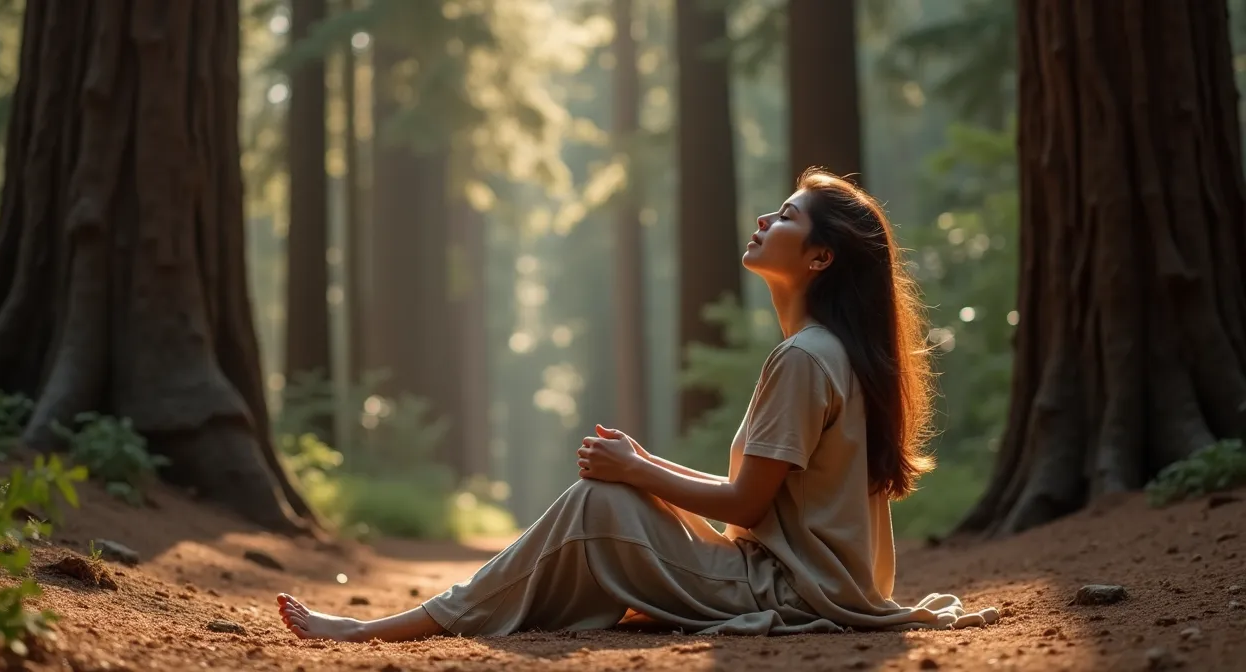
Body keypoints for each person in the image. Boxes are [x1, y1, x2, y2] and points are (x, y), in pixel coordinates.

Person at [276, 168, 999, 642]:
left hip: (792, 592)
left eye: (784, 217)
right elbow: (759, 502)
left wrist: (634, 471)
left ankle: (396, 627)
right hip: (811, 583)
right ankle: (447, 612)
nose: (762, 221)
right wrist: (643, 464)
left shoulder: (805, 358)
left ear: (820, 257)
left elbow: (746, 506)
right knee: (608, 496)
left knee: (599, 503)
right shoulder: (827, 353)